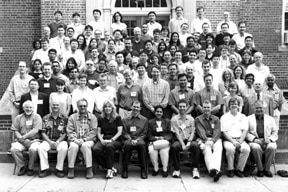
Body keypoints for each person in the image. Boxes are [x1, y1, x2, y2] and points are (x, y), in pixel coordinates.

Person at [66, 98, 97, 179]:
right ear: (77, 106)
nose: (82, 107)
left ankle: (89, 169)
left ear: (87, 106)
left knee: (85, 146)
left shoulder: (93, 117)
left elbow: (94, 131)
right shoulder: (72, 117)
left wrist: (84, 139)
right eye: (80, 106)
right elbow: (69, 130)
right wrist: (75, 139)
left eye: (84, 106)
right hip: (75, 139)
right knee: (73, 146)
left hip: (88, 140)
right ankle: (71, 169)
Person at [246, 100, 278, 177]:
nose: (259, 110)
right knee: (256, 147)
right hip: (255, 140)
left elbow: (275, 132)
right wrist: (254, 139)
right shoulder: (248, 119)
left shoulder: (270, 119)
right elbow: (246, 132)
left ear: (264, 108)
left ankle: (267, 169)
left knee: (272, 147)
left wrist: (269, 139)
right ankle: (260, 169)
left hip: (268, 140)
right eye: (257, 108)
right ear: (254, 109)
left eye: (261, 108)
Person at [38, 98, 68, 178]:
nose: (55, 106)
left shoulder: (64, 118)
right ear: (51, 106)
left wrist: (58, 141)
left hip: (60, 141)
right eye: (54, 105)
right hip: (48, 141)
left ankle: (59, 169)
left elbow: (65, 133)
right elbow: (43, 132)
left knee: (64, 148)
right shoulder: (46, 118)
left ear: (60, 106)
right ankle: (45, 169)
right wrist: (50, 142)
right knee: (41, 148)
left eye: (57, 105)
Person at [10, 100, 42, 176]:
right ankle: (22, 166)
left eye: (30, 107)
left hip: (34, 141)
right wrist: (22, 139)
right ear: (23, 108)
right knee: (14, 149)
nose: (28, 109)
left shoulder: (37, 117)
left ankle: (30, 168)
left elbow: (35, 130)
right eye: (26, 107)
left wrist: (24, 137)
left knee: (33, 149)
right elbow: (15, 130)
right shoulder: (18, 117)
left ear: (33, 108)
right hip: (22, 141)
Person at [170, 100, 200, 179]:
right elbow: (176, 133)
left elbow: (193, 131)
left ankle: (195, 169)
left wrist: (189, 142)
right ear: (178, 107)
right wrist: (183, 144)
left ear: (187, 107)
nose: (182, 108)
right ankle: (176, 169)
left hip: (189, 139)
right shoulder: (174, 119)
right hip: (179, 140)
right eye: (180, 106)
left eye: (184, 106)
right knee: (174, 147)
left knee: (196, 146)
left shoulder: (191, 119)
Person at [93, 100, 123, 179]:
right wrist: (101, 140)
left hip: (116, 139)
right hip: (104, 138)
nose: (107, 108)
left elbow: (120, 132)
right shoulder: (100, 118)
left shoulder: (117, 117)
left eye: (109, 107)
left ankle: (109, 171)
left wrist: (112, 140)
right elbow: (98, 132)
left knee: (109, 147)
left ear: (112, 108)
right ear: (103, 108)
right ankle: (109, 166)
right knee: (95, 149)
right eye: (106, 107)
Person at [221, 98, 250, 178]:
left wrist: (240, 141)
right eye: (232, 104)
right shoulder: (224, 117)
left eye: (236, 104)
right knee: (230, 149)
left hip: (240, 139)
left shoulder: (243, 116)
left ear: (238, 106)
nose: (234, 105)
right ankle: (230, 169)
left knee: (246, 149)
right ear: (229, 106)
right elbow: (224, 132)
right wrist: (233, 142)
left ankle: (239, 169)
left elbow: (245, 131)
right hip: (229, 140)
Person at [195, 100, 222, 181]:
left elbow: (217, 131)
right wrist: (207, 140)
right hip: (203, 139)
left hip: (215, 139)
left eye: (208, 107)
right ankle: (215, 171)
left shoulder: (216, 119)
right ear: (202, 108)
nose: (206, 109)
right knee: (207, 150)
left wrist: (213, 140)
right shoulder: (198, 119)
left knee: (218, 148)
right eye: (205, 107)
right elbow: (200, 131)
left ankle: (212, 170)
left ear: (211, 108)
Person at [122, 101, 149, 179]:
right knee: (127, 145)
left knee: (142, 145)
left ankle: (143, 169)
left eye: (137, 107)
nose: (135, 109)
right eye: (134, 106)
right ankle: (125, 169)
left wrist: (137, 140)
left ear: (140, 108)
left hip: (139, 139)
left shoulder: (144, 120)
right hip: (129, 139)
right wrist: (130, 139)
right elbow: (124, 132)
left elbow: (144, 133)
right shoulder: (125, 119)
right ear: (131, 107)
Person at [147, 105, 172, 177]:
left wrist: (164, 138)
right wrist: (156, 138)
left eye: (160, 112)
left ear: (163, 113)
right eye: (157, 111)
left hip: (164, 141)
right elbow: (149, 135)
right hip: (154, 141)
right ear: (155, 112)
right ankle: (156, 168)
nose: (159, 113)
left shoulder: (167, 121)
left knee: (164, 151)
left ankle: (165, 169)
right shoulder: (150, 122)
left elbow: (170, 134)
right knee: (151, 150)